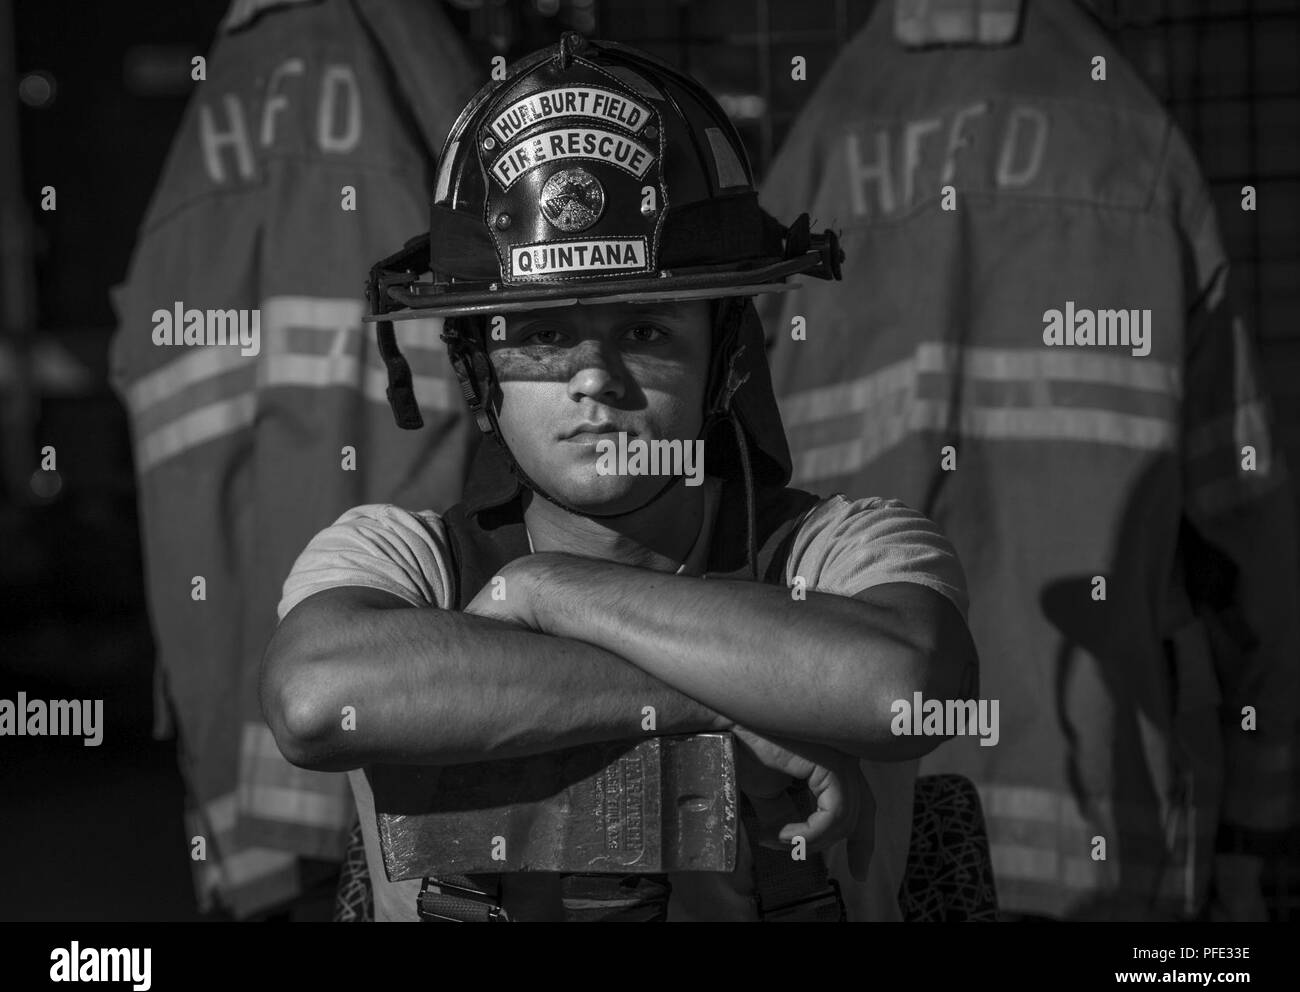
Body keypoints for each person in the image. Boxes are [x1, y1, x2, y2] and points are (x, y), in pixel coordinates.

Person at [260, 31, 979, 921]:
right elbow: (313, 699)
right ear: (478, 376)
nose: (593, 378)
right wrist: (724, 710)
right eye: (545, 335)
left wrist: (547, 590)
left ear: (727, 359)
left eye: (646, 332)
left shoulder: (840, 552)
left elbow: (903, 691)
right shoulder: (401, 562)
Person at [757, 0, 1299, 920]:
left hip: (863, 834)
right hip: (1098, 818)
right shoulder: (1130, 137)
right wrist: (1261, 816)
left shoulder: (820, 146)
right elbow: (1252, 523)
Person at [109, 0, 481, 918]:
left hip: (229, 623)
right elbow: (507, 218)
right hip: (409, 627)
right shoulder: (396, 43)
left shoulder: (233, 77)